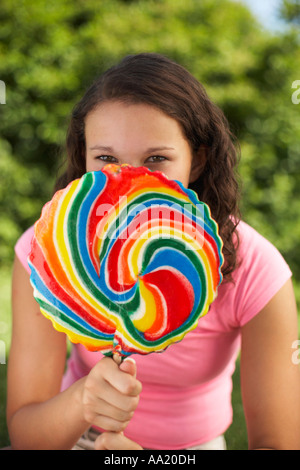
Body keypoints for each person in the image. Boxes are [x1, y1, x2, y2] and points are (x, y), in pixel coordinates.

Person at [7, 53, 300, 450]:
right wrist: (82, 401)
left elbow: (279, 443)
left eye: (156, 159)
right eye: (106, 158)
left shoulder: (257, 270)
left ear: (198, 161)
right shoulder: (49, 254)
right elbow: (26, 435)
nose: (129, 180)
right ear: (84, 157)